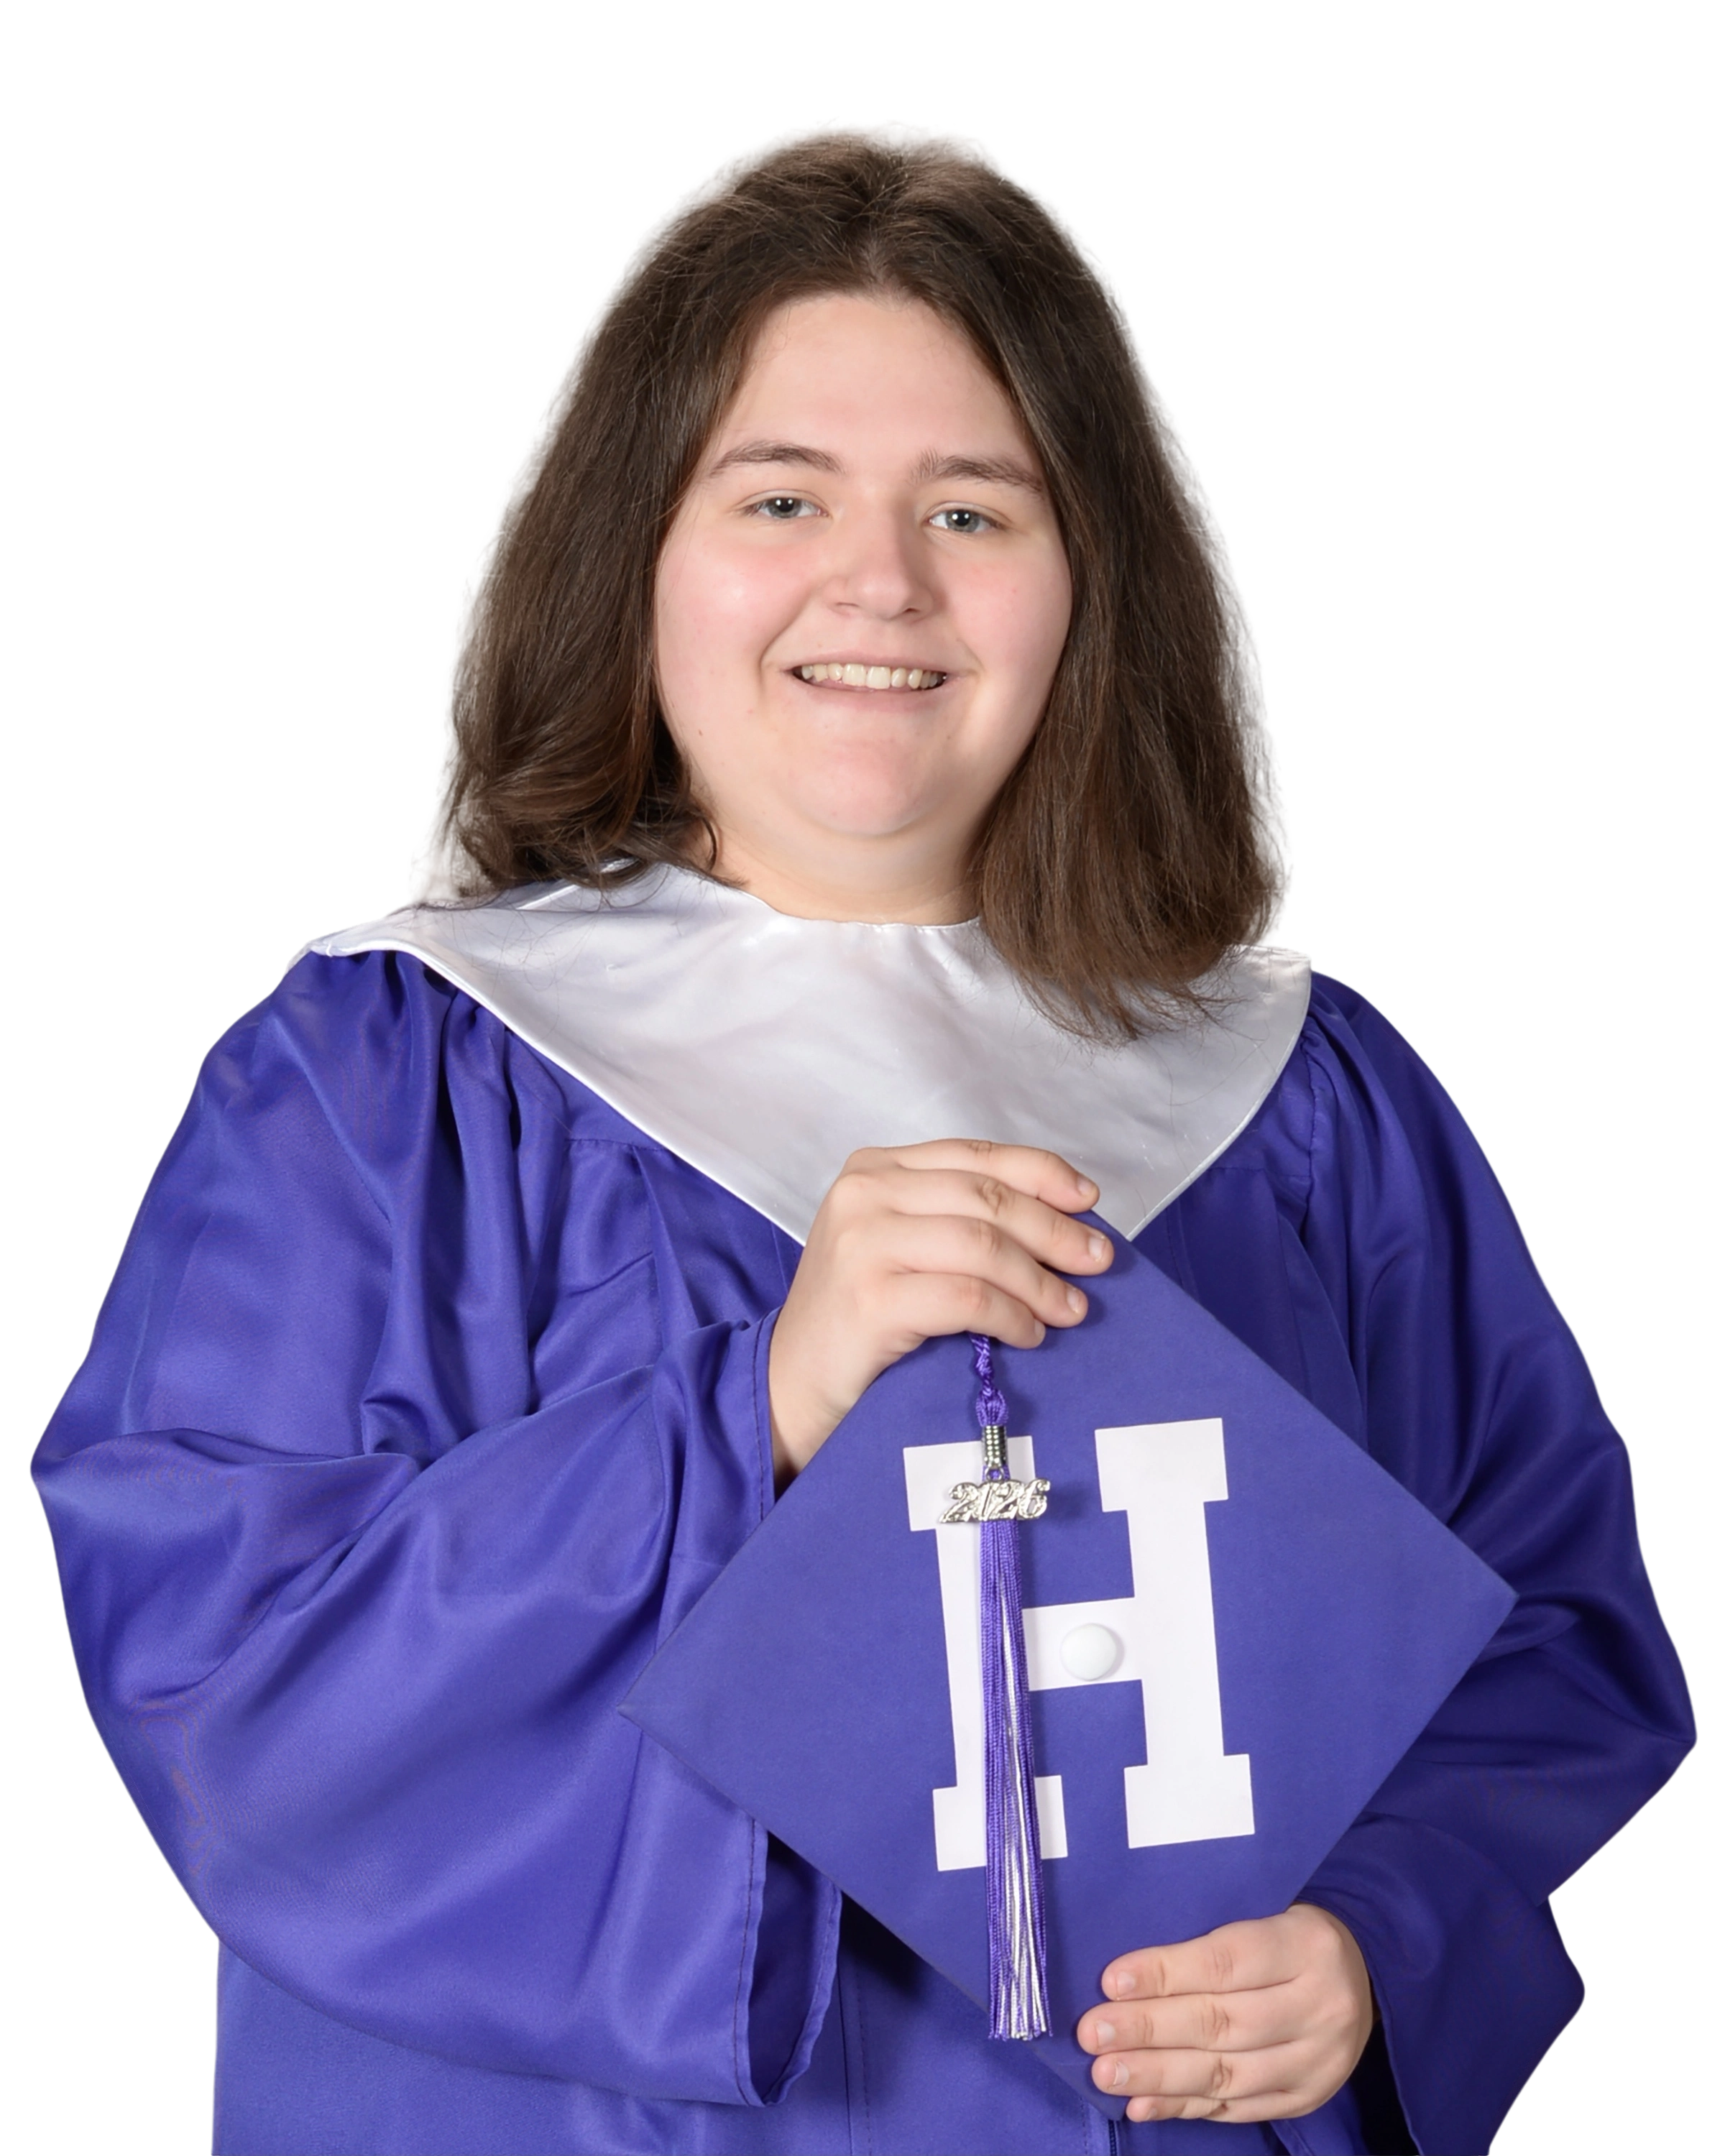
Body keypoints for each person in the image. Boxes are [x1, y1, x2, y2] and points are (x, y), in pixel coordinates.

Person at [30, 119, 1695, 2156]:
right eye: (781, 495)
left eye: (974, 509)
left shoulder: (1307, 1096)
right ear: (637, 554)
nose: (881, 582)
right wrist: (757, 1413)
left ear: (1092, 584)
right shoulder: (389, 1081)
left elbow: (1544, 1624)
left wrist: (1376, 1937)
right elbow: (225, 1666)